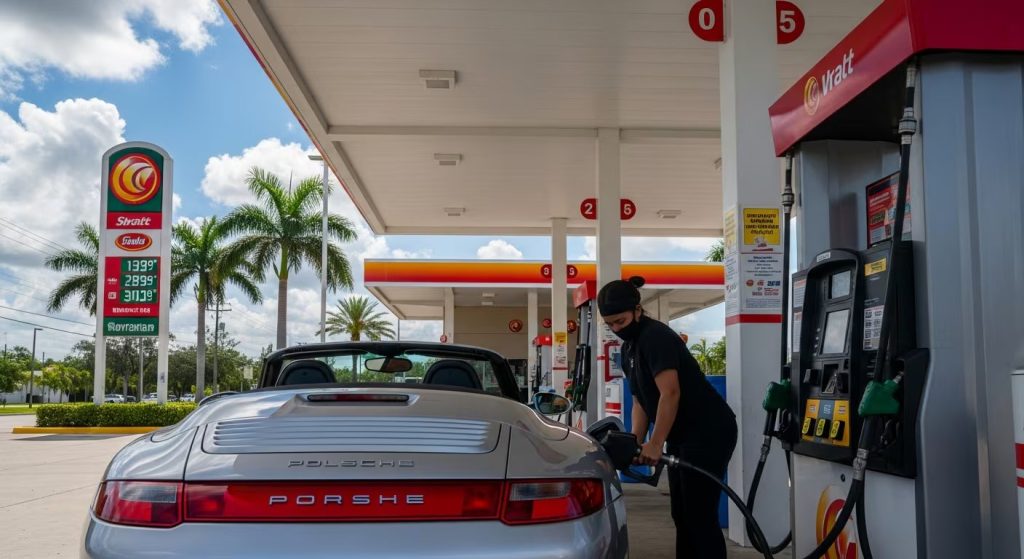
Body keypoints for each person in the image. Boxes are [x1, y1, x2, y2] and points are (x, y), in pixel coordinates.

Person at [598, 276, 738, 559]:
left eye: (621, 321)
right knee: (681, 514)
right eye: (610, 324)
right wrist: (634, 443)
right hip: (682, 434)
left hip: (708, 431)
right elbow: (640, 401)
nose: (616, 329)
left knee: (699, 515)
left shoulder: (655, 337)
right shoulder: (628, 348)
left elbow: (670, 393)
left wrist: (655, 442)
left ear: (637, 310)